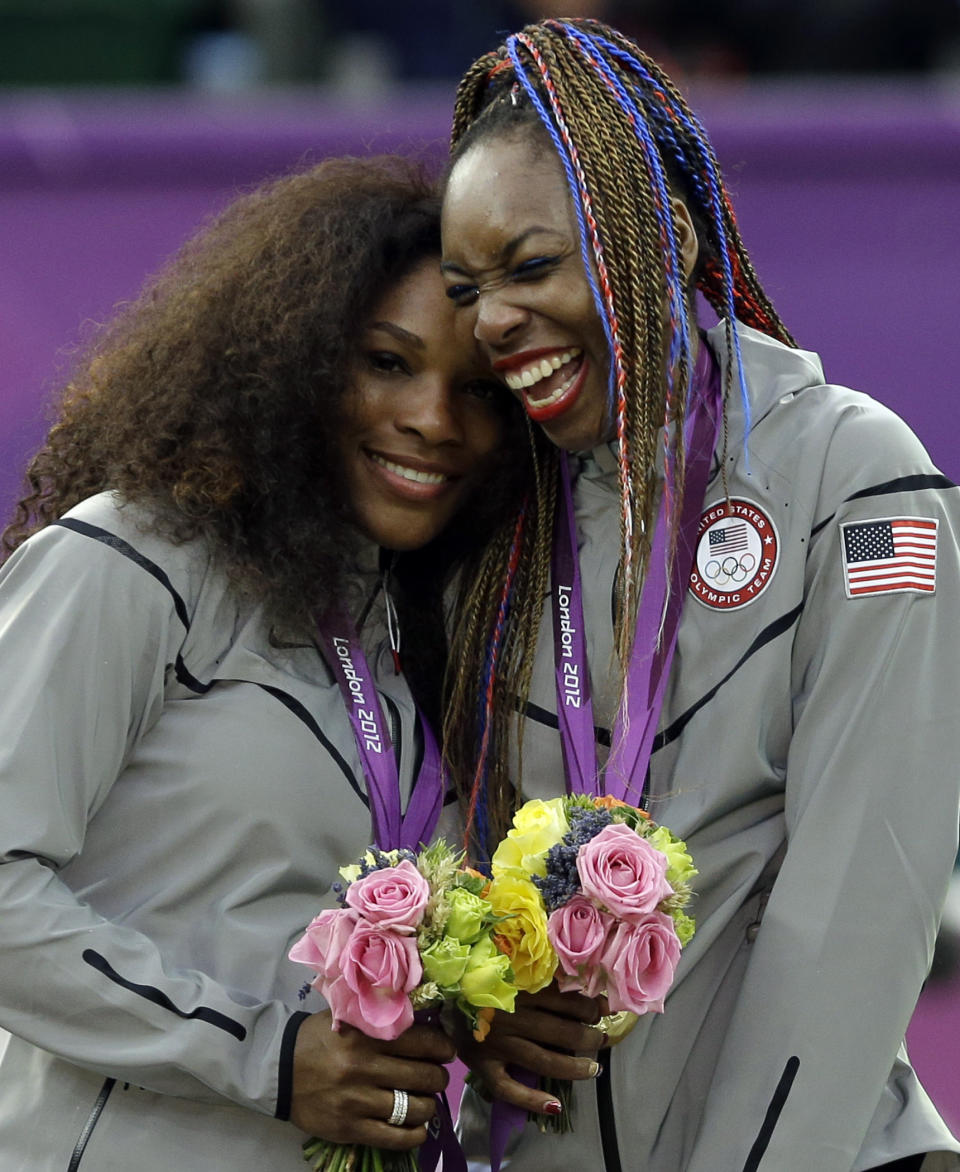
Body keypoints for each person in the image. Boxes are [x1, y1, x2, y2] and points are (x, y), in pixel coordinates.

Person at [438, 17, 960, 1172]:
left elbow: (861, 903)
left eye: (531, 266)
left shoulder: (853, 474)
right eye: (468, 288)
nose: (493, 321)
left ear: (663, 238)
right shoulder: (491, 527)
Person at [0, 156, 527, 1170]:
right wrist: (268, 1057)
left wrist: (485, 1014)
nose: (434, 418)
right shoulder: (134, 557)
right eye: (386, 361)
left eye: (479, 392)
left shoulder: (419, 636)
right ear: (297, 357)